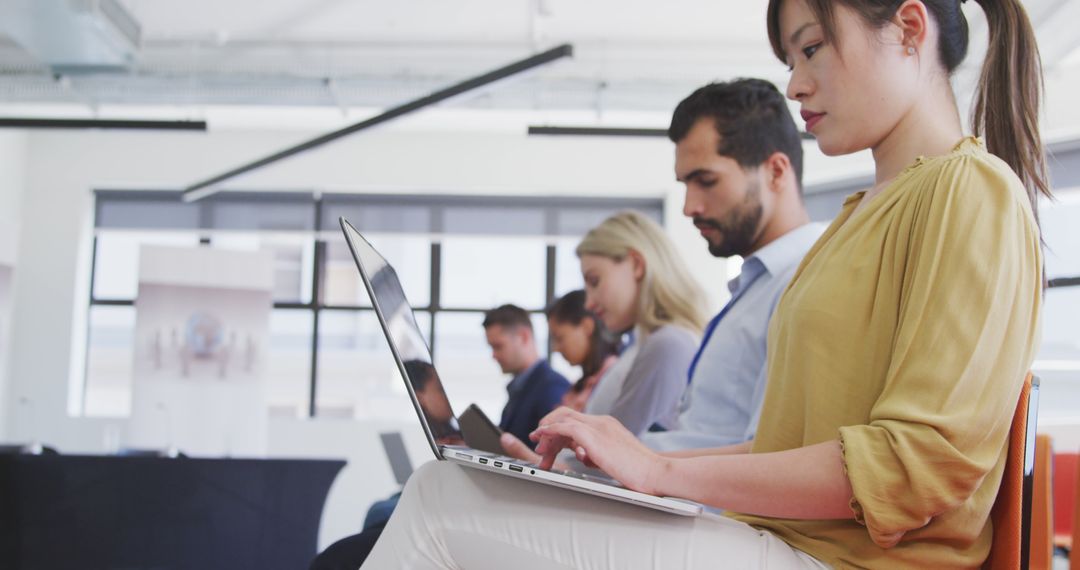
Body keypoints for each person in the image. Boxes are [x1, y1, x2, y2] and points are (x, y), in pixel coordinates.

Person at [362, 0, 1048, 566]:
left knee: (438, 504)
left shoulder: (970, 191)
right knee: (458, 491)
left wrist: (657, 471)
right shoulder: (857, 219)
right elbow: (789, 442)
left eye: (811, 49)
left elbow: (915, 464)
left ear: (908, 28)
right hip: (780, 542)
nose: (796, 84)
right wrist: (614, 464)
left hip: (839, 561)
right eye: (790, 60)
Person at [568, 210, 708, 436]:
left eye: (594, 281)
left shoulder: (668, 344)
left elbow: (617, 454)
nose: (589, 303)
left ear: (636, 265)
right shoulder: (648, 344)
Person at [482, 304, 570, 448]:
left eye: (498, 346)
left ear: (523, 337)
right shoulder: (521, 386)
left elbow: (556, 457)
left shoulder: (552, 388)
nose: (493, 355)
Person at [545, 290, 621, 412]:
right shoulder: (583, 384)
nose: (555, 348)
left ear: (587, 326)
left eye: (559, 338)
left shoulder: (616, 377)